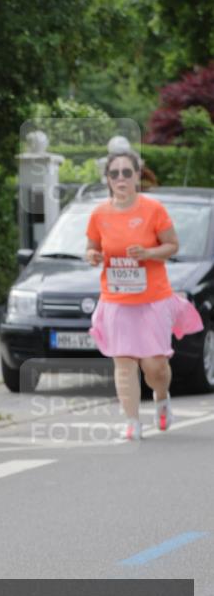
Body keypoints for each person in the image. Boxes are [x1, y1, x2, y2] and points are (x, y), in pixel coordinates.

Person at [85, 151, 203, 440]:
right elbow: (91, 247)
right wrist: (93, 256)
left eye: (127, 172)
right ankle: (132, 421)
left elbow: (172, 245)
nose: (121, 178)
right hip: (115, 299)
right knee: (123, 363)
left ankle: (161, 398)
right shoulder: (99, 213)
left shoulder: (153, 209)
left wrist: (149, 253)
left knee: (155, 366)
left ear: (138, 176)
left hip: (152, 299)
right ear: (108, 179)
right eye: (115, 173)